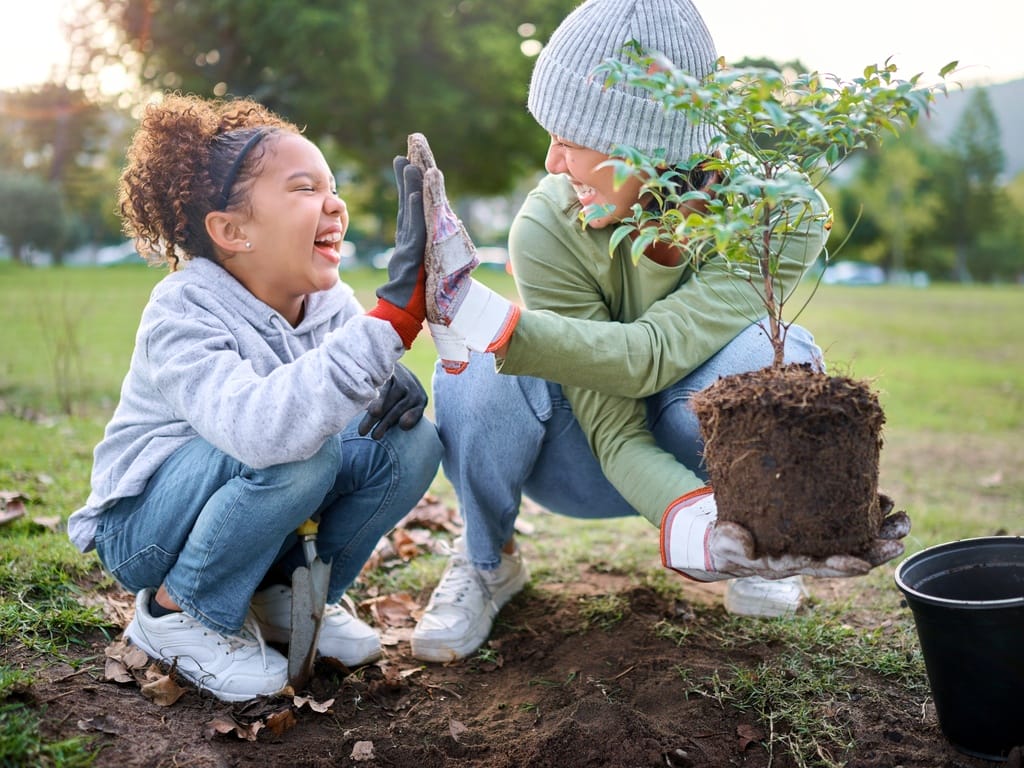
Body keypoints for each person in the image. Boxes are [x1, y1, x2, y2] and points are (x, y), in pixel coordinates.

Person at [405, 0, 911, 663]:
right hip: (578, 457)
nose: (553, 163)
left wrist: (793, 514)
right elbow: (613, 429)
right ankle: (487, 560)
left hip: (704, 444)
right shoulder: (547, 227)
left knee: (767, 352)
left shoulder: (780, 211)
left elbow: (653, 356)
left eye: (572, 138)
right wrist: (689, 523)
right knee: (473, 372)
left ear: (648, 142)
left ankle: (764, 537)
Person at [67, 94, 443, 701]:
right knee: (297, 450)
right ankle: (178, 614)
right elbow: (262, 430)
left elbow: (337, 384)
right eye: (304, 189)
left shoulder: (328, 304)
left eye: (333, 186)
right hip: (146, 529)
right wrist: (389, 326)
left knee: (407, 441)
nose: (335, 205)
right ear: (232, 230)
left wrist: (377, 375)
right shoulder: (182, 309)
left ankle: (286, 596)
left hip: (252, 500)